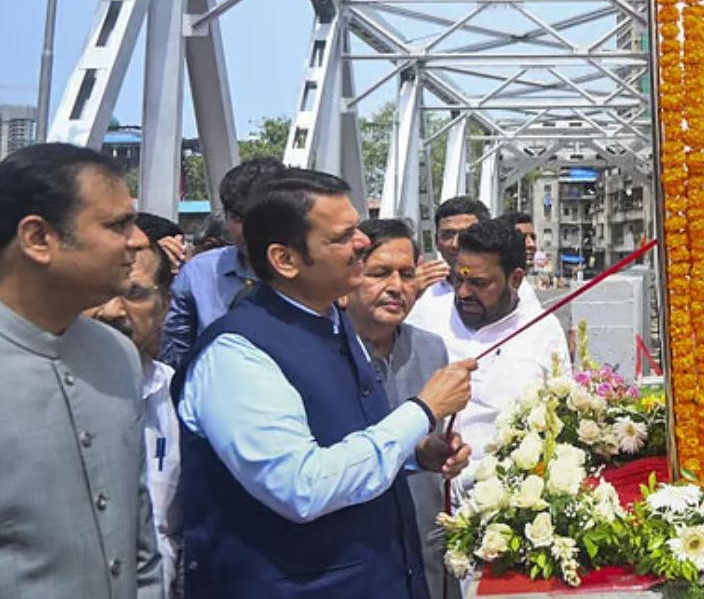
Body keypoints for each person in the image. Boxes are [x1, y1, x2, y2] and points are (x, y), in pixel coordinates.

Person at [173, 170, 477, 598]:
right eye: (343, 236)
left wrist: (415, 454)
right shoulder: (236, 354)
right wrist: (422, 412)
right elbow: (302, 487)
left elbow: (339, 443)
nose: (362, 242)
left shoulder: (332, 324)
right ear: (285, 260)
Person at [0, 143, 164, 598]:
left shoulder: (118, 355)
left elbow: (139, 539)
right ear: (38, 238)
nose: (138, 240)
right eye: (117, 225)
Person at [339, 218, 457, 599]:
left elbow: (426, 445)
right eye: (379, 273)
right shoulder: (323, 353)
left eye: (407, 274)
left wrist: (438, 452)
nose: (396, 287)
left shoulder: (430, 349)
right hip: (352, 558)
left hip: (425, 548)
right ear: (347, 281)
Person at [407, 219, 569, 451]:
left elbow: (561, 413)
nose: (463, 292)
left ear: (515, 279)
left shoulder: (543, 329)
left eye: (479, 283)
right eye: (458, 279)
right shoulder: (424, 316)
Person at [86, 238, 183, 596]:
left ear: (165, 304)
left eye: (134, 293)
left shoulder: (178, 396)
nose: (112, 310)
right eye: (99, 292)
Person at [159, 157, 285, 368]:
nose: (250, 230)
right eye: (238, 219)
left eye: (261, 218)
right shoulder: (198, 273)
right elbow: (174, 355)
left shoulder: (318, 271)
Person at [414, 196, 490, 306]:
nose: (455, 244)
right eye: (447, 235)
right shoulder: (419, 293)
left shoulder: (508, 289)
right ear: (436, 242)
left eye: (466, 234)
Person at [495, 210, 541, 310]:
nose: (532, 244)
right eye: (523, 238)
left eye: (533, 237)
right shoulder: (494, 292)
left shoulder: (525, 289)